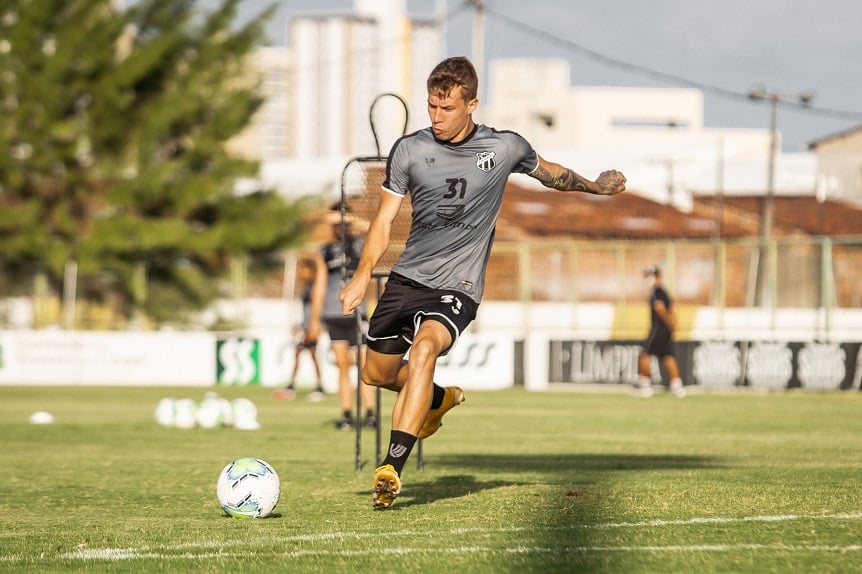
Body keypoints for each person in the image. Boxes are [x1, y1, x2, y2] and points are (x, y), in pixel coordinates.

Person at [338, 56, 627, 509]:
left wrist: (596, 186)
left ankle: (390, 467)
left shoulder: (504, 147)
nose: (436, 116)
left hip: (459, 284)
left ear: (472, 104)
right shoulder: (409, 150)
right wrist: (360, 276)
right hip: (408, 277)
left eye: (447, 108)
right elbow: (383, 220)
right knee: (375, 374)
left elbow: (553, 173)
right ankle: (437, 399)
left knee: (425, 350)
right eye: (431, 106)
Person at [308, 211, 377, 429]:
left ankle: (370, 414)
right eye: (335, 224)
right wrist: (314, 319)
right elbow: (319, 285)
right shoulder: (324, 250)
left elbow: (374, 226)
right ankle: (347, 414)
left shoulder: (360, 243)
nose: (339, 227)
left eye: (341, 223)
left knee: (364, 366)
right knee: (342, 366)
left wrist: (347, 217)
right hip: (332, 313)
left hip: (357, 312)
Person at [273, 258, 324, 401]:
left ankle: (319, 386)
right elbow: (305, 311)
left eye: (303, 270)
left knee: (313, 356)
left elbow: (316, 310)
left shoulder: (315, 287)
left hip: (311, 328)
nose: (300, 273)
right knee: (299, 354)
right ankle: (293, 383)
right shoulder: (307, 286)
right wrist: (299, 326)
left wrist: (313, 327)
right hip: (305, 327)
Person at [636, 265, 686, 398]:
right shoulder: (664, 292)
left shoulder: (656, 292)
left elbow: (660, 308)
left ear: (657, 277)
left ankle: (645, 385)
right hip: (666, 330)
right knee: (668, 356)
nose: (648, 279)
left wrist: (669, 322)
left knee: (644, 354)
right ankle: (677, 386)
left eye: (650, 276)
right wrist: (673, 324)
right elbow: (673, 307)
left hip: (658, 329)